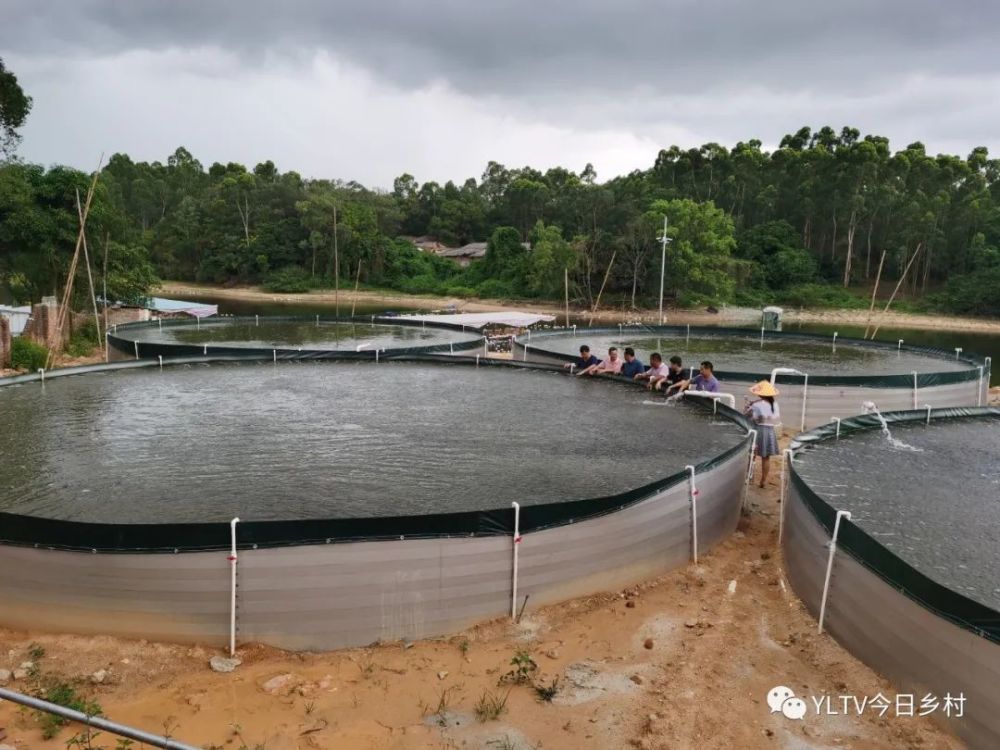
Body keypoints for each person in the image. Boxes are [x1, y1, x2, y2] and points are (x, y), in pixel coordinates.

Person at [744, 380, 781, 488]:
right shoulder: (775, 404)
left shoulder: (757, 404)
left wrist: (748, 407)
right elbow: (775, 419)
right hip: (770, 431)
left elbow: (747, 417)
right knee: (766, 457)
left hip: (758, 430)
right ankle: (763, 481)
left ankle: (750, 478)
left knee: (752, 455)